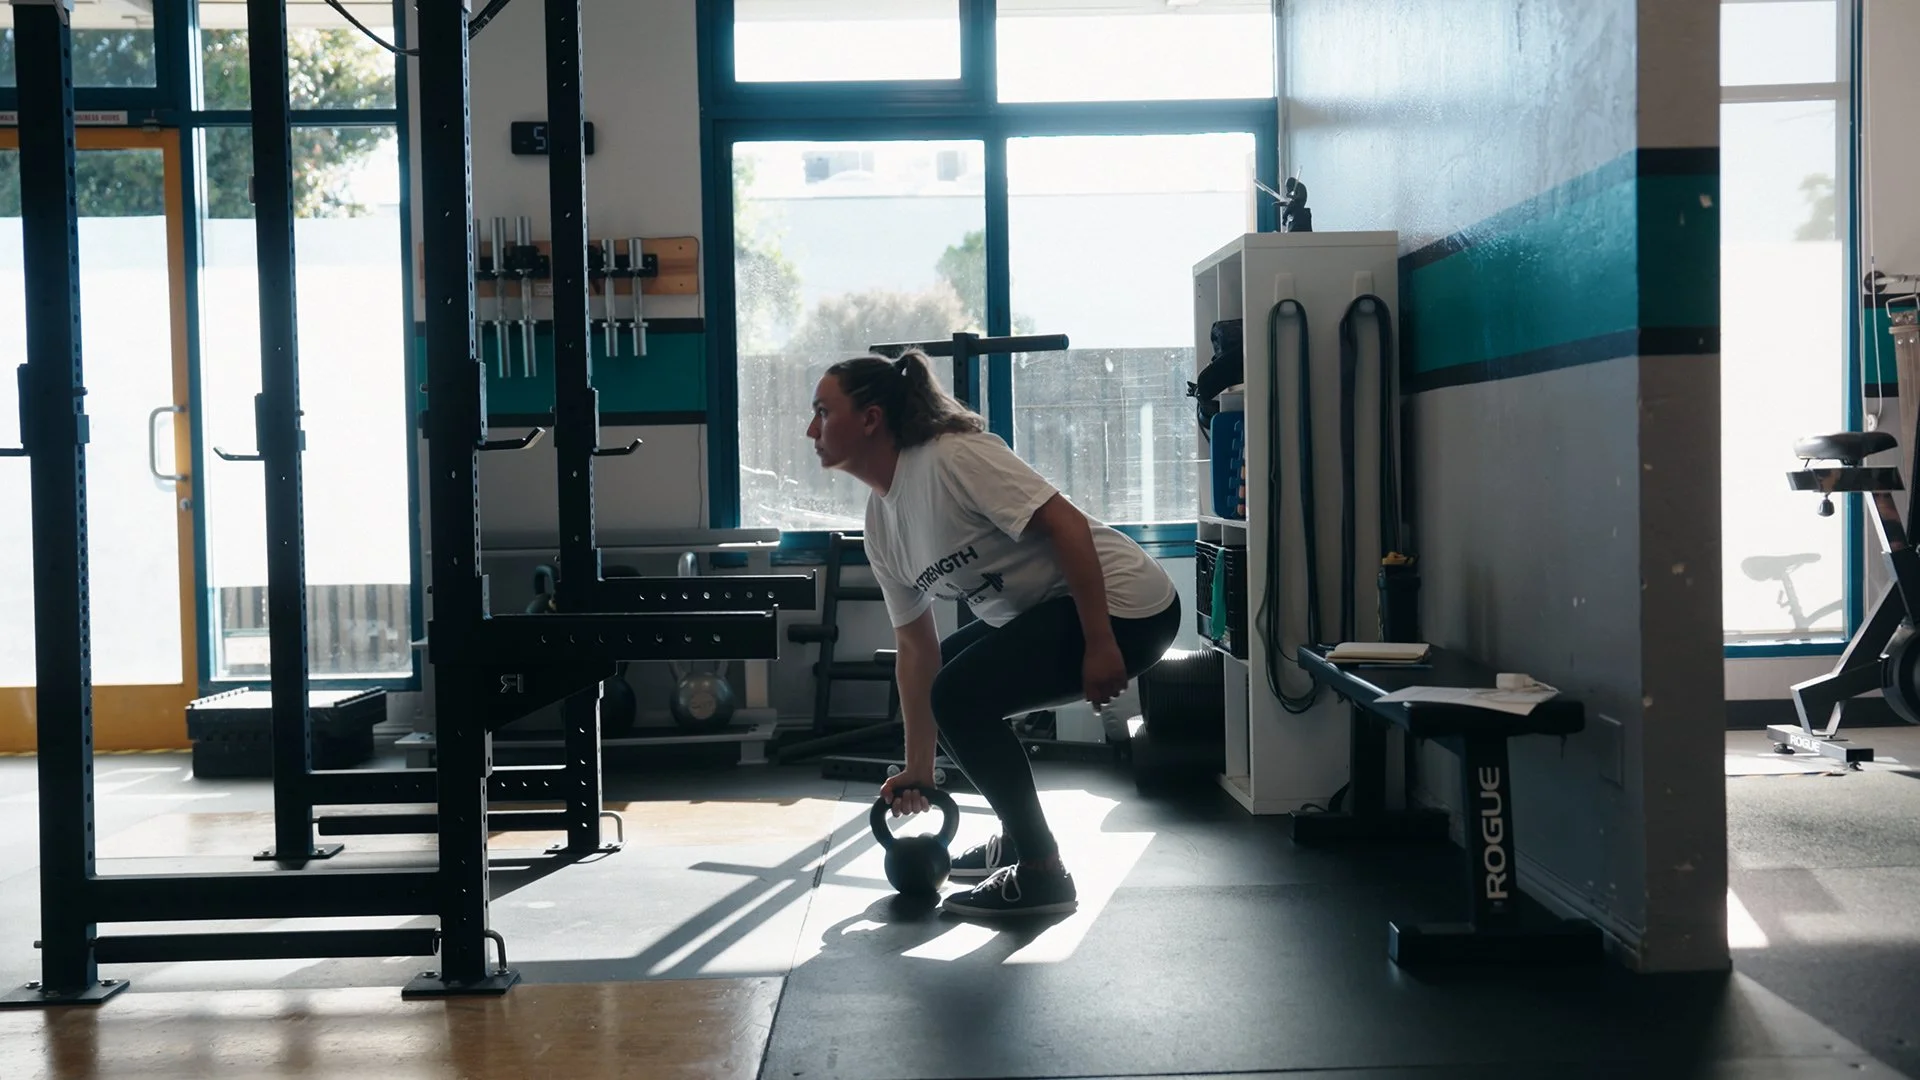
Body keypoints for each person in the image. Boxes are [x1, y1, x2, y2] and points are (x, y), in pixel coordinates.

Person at [807, 349, 1183, 918]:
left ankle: (1042, 871)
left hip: (1128, 605)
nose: (812, 429)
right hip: (1055, 613)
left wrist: (1101, 642)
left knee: (958, 695)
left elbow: (1068, 526)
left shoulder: (950, 459)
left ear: (870, 419)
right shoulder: (882, 525)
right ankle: (1018, 836)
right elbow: (916, 649)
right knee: (950, 680)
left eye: (822, 411)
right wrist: (918, 770)